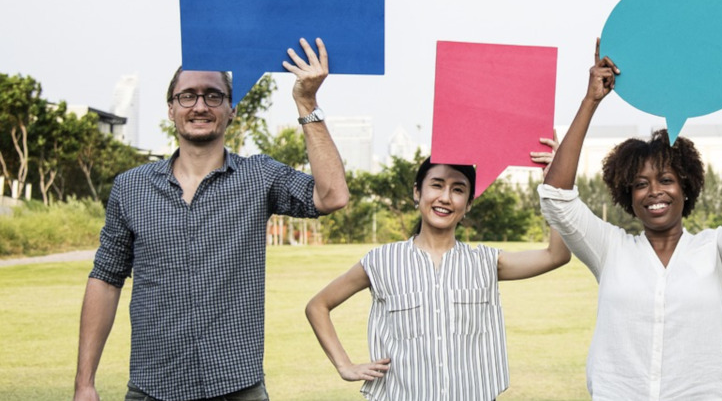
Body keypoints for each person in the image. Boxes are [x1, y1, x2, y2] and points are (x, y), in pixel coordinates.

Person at [74, 38, 350, 401]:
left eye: (213, 96)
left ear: (231, 109)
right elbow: (106, 281)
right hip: (153, 386)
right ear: (171, 109)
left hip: (237, 386)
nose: (200, 105)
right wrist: (85, 383)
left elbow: (333, 195)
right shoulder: (131, 188)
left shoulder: (259, 176)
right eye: (187, 96)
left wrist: (307, 102)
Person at [539, 40, 722, 400]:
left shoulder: (715, 250)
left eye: (666, 180)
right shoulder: (610, 249)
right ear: (628, 195)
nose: (654, 191)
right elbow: (557, 198)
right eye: (640, 184)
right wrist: (591, 101)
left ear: (686, 188)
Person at [305, 143, 571, 401]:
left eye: (458, 189)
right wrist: (344, 365)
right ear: (417, 192)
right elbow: (318, 306)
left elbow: (556, 255)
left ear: (468, 204)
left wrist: (556, 182)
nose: (445, 197)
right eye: (436, 185)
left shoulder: (486, 262)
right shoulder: (381, 261)